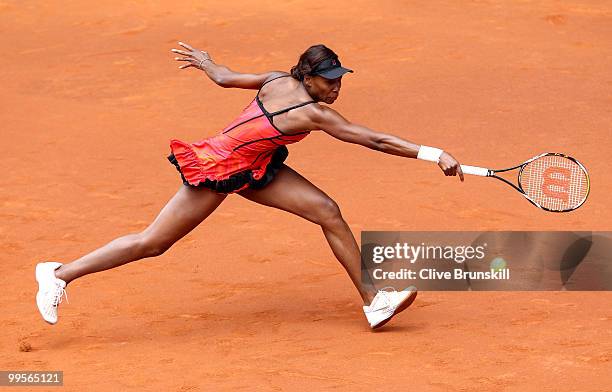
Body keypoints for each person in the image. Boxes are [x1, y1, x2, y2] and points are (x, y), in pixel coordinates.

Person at [35, 42, 464, 330]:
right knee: (154, 242)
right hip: (219, 168)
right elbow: (374, 139)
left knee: (327, 211)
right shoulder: (313, 113)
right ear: (308, 77)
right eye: (328, 80)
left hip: (257, 168)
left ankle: (373, 301)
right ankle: (59, 274)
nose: (336, 86)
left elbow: (224, 77)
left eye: (339, 78)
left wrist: (205, 61)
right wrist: (433, 153)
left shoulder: (278, 78)